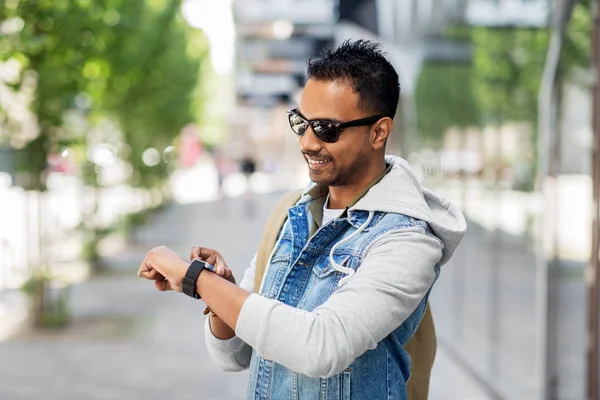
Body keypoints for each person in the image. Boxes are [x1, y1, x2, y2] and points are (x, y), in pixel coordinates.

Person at [138, 40, 467, 400]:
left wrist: (196, 279)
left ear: (378, 132)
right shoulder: (292, 213)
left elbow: (321, 347)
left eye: (327, 129)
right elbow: (233, 356)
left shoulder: (407, 240)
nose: (308, 142)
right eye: (301, 123)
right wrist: (222, 290)